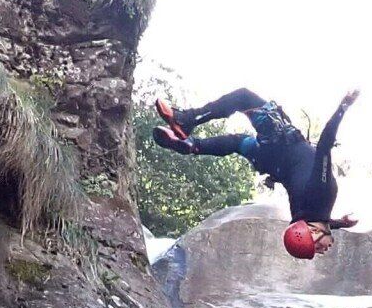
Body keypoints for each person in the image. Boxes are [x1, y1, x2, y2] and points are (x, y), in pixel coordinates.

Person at [154, 87, 359, 257]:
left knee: (244, 98)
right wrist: (339, 223)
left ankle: (186, 119)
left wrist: (343, 107)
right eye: (317, 250)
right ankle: (192, 145)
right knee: (236, 143)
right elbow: (317, 217)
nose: (322, 251)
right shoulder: (301, 216)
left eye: (316, 248)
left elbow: (324, 146)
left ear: (313, 231)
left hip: (279, 142)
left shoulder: (322, 195)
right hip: (267, 161)